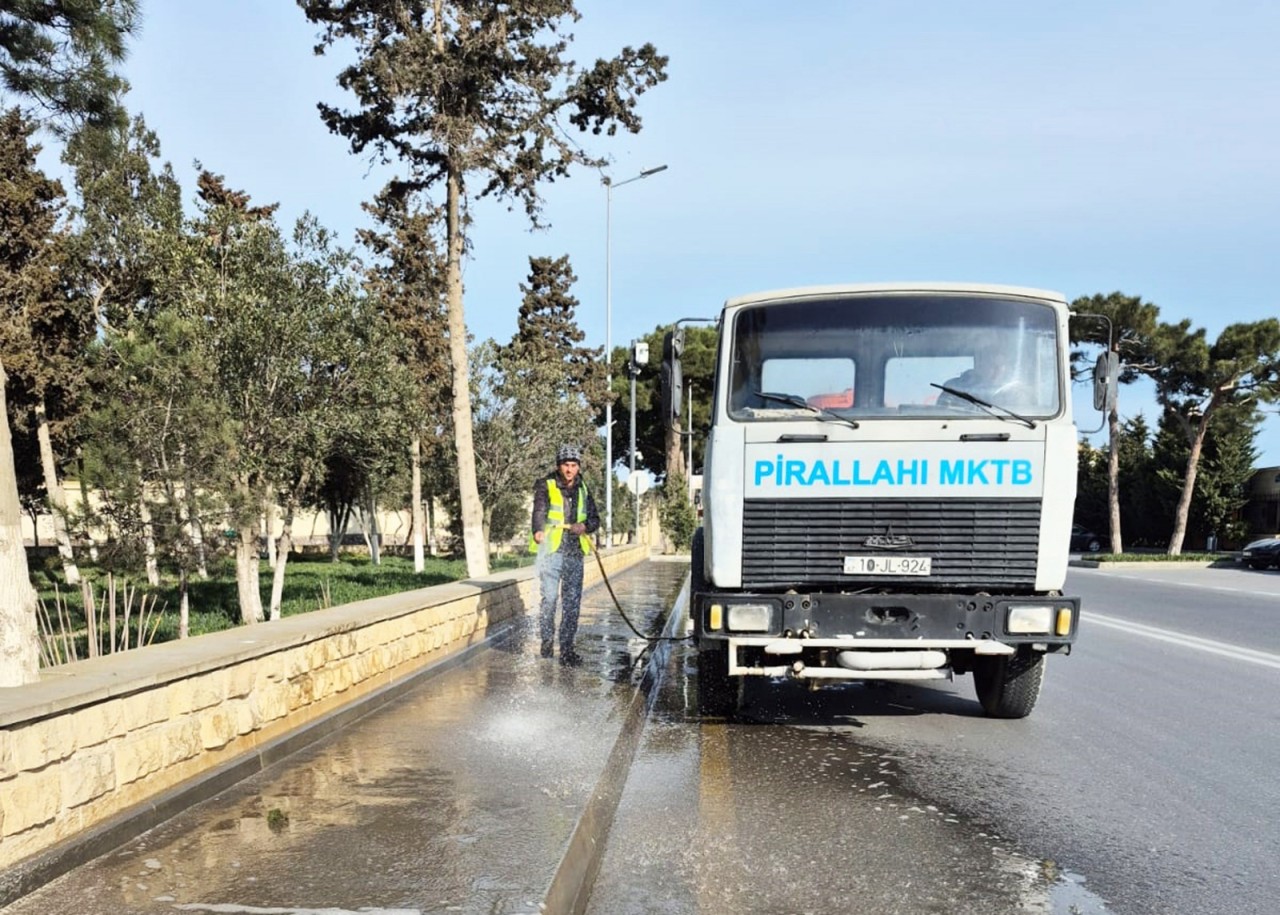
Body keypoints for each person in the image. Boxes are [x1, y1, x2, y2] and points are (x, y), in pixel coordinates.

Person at [529, 444, 600, 664]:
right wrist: (538, 530)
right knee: (549, 599)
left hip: (574, 553)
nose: (569, 470)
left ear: (578, 467)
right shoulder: (546, 485)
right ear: (559, 466)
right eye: (565, 465)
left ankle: (567, 650)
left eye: (573, 465)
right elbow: (539, 510)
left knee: (571, 603)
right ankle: (547, 645)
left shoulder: (583, 488)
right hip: (552, 552)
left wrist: (584, 527)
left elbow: (595, 519)